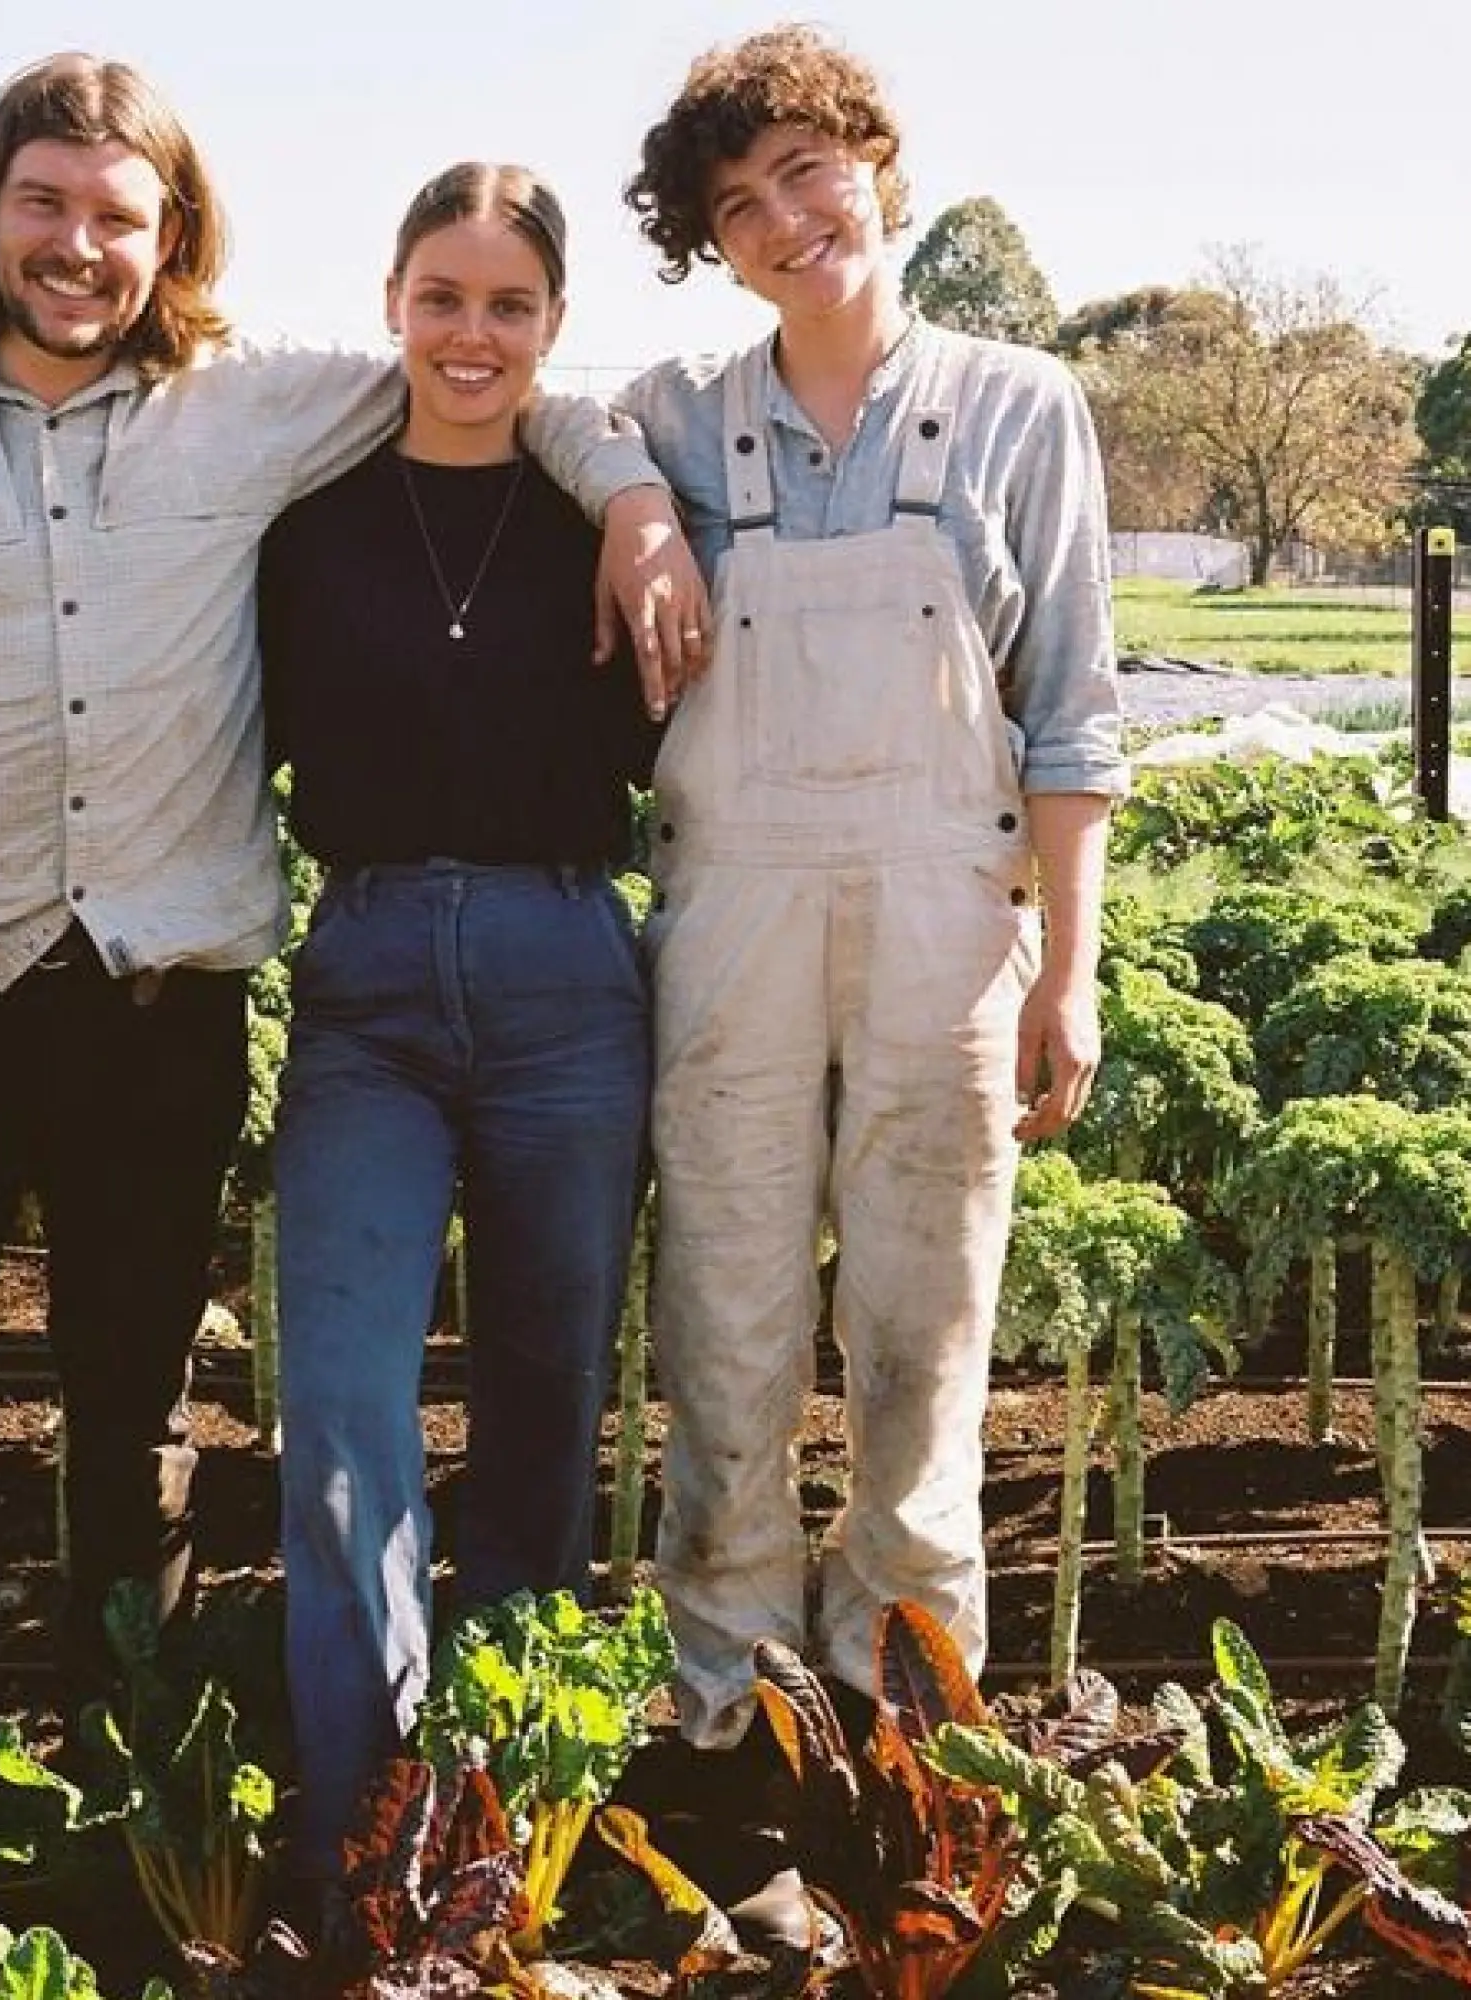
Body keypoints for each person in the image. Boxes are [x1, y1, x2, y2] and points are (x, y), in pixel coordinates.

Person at [0, 51, 704, 1690]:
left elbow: (489, 370)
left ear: (169, 235)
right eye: (43, 204)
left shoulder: (247, 404)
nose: (77, 245)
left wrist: (630, 501)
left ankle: (134, 1757)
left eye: (118, 216)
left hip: (154, 993)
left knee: (130, 1403)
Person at [615, 25, 1129, 1748]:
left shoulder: (1014, 403)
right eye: (734, 203)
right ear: (710, 242)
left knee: (922, 1327)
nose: (780, 220)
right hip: (732, 918)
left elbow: (1068, 706)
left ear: (871, 170)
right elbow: (537, 428)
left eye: (804, 173)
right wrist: (632, 512)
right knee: (726, 1315)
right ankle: (727, 1715)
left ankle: (908, 1721)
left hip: (944, 920)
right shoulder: (673, 420)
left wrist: (1071, 967)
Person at [256, 160, 659, 1892]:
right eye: (441, 298)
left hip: (572, 964)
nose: (471, 335)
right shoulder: (309, 517)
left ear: (553, 327)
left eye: (508, 305)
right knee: (343, 1403)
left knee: (541, 1397)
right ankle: (360, 1808)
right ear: (392, 305)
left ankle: (499, 1797)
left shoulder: (612, 517)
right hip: (362, 988)